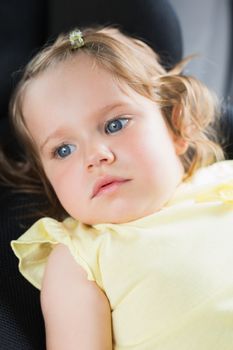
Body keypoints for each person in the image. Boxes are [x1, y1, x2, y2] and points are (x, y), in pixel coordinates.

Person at [1, 26, 232, 349]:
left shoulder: (224, 182)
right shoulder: (79, 256)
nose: (95, 156)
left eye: (115, 124)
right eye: (63, 150)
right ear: (48, 180)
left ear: (176, 126)